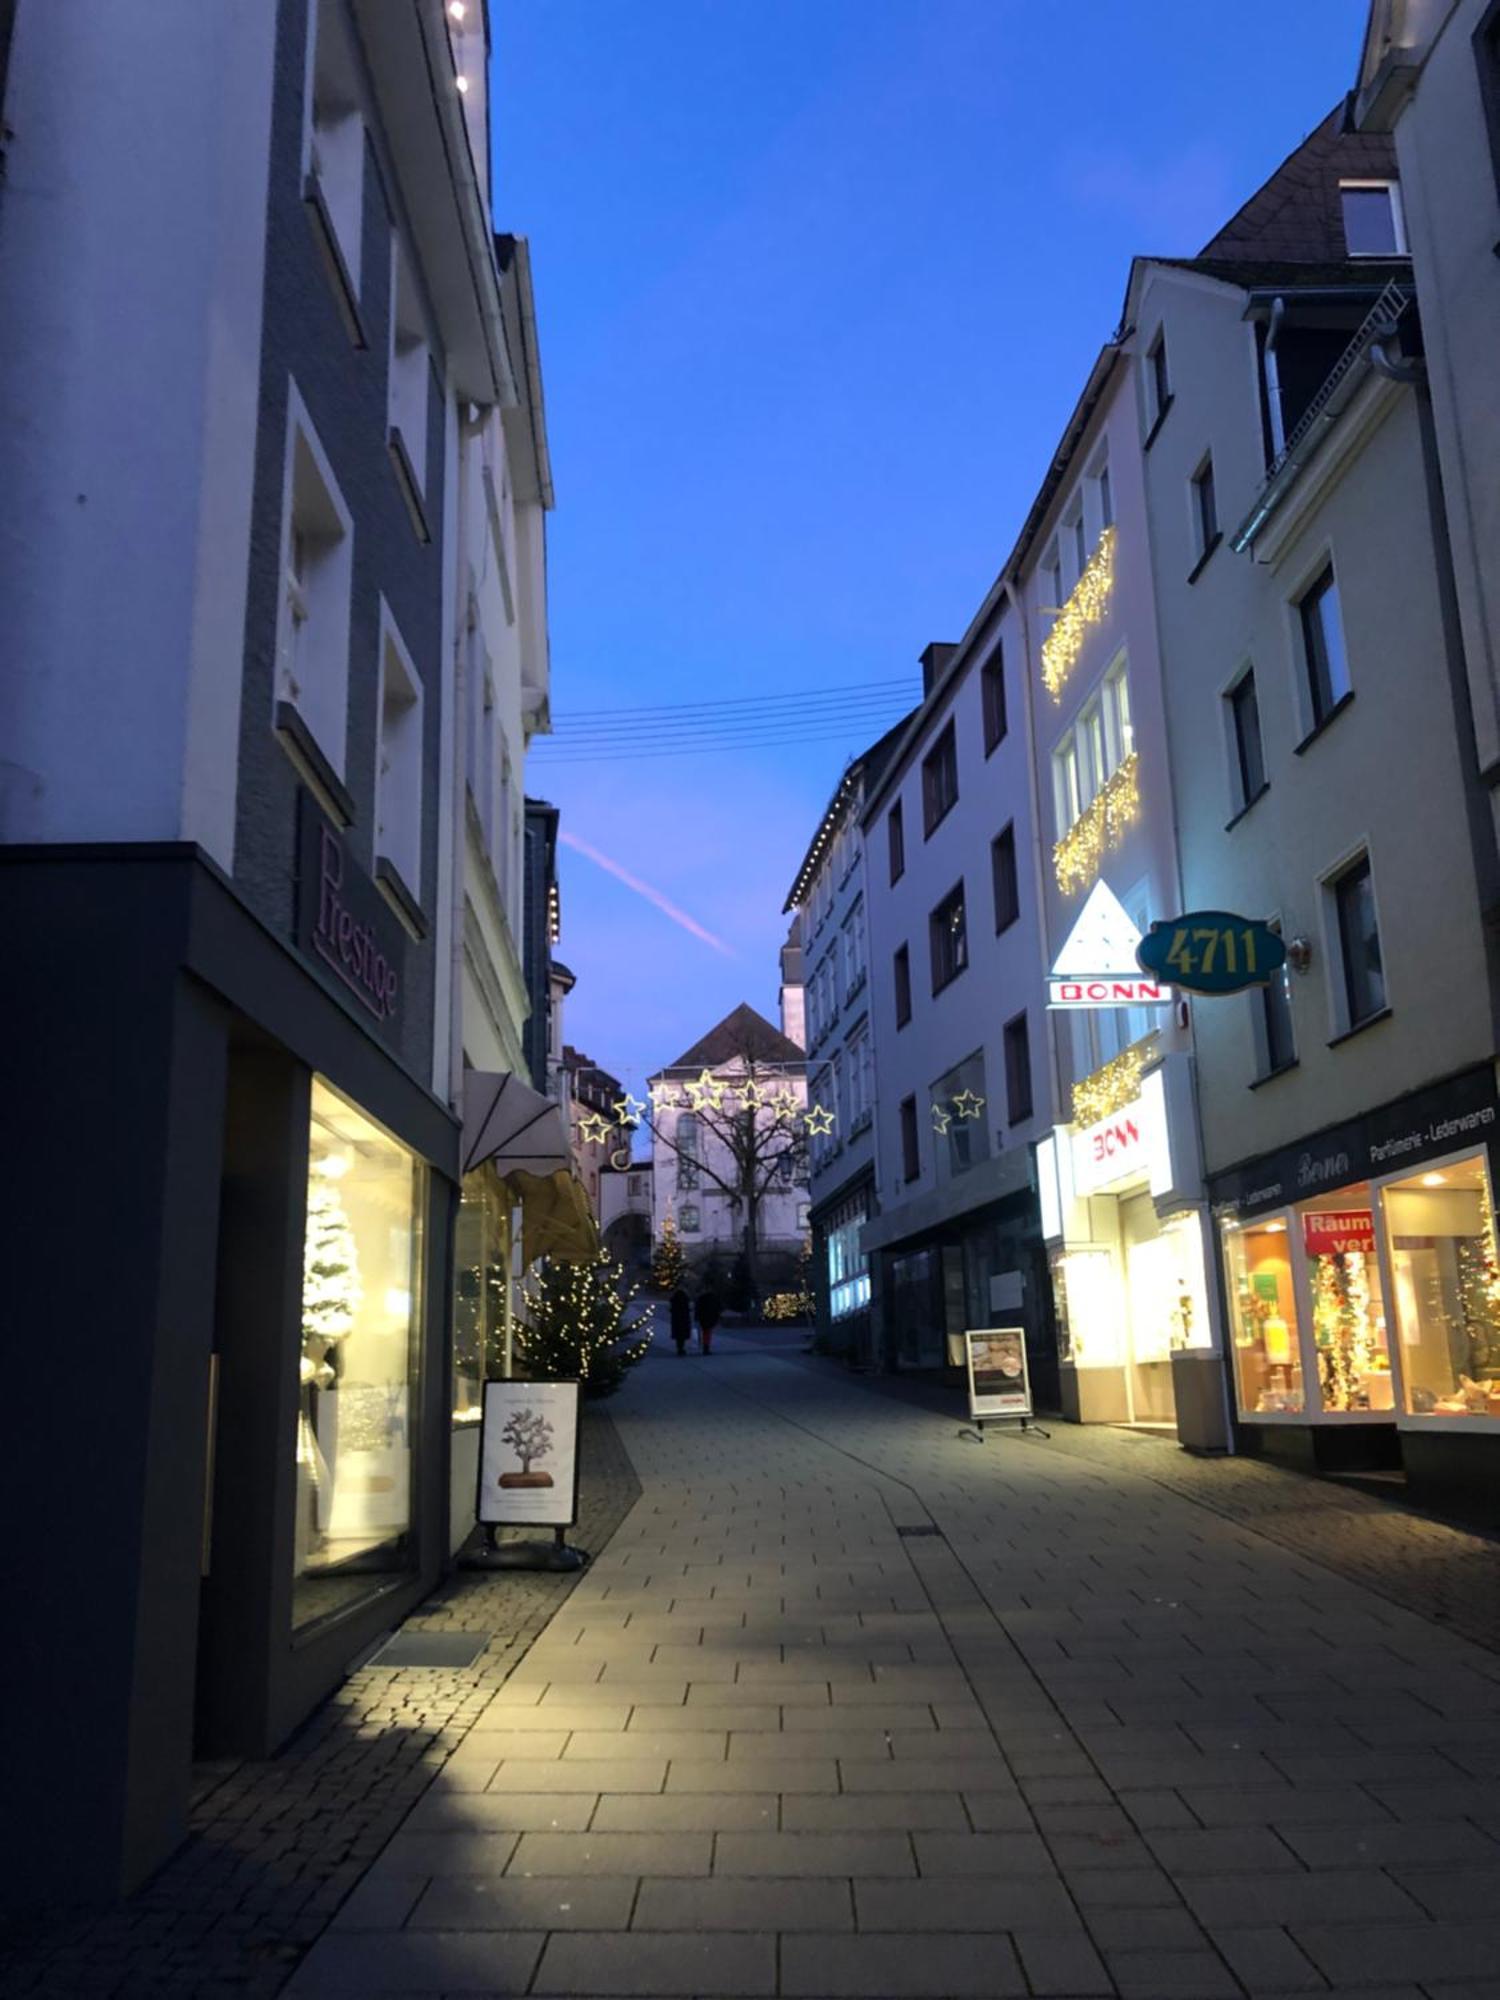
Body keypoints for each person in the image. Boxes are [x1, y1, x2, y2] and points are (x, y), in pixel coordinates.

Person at [695, 1285, 722, 1356]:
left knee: (705, 1332)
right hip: (711, 1318)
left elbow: (697, 1308)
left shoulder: (702, 1298)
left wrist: (697, 1317)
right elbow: (719, 1307)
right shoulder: (714, 1298)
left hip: (703, 1318)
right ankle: (706, 1347)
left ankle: (705, 1347)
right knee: (707, 1333)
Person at [669, 1285, 692, 1357]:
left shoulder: (674, 1298)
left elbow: (671, 1309)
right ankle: (681, 1348)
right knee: (682, 1335)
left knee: (678, 1335)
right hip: (684, 1318)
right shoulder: (685, 1298)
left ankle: (679, 1348)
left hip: (676, 1319)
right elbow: (688, 1308)